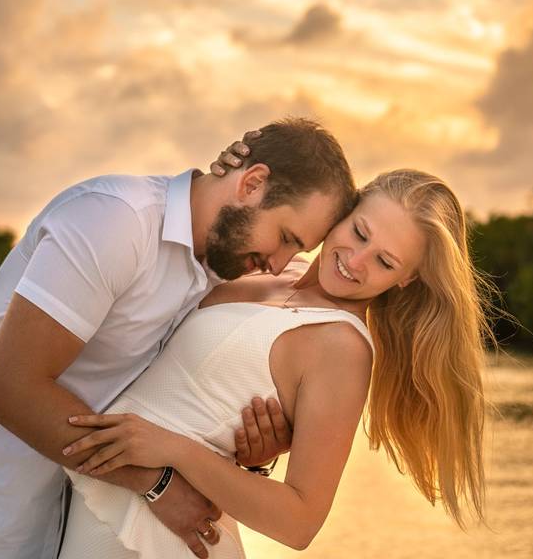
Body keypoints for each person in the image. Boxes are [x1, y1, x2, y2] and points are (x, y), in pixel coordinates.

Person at [0, 118, 356, 559]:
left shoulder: (216, 271)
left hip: (47, 521)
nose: (279, 262)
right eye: (287, 237)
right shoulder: (115, 220)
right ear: (251, 183)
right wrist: (158, 485)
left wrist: (252, 460)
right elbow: (10, 389)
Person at [56, 168, 495, 557]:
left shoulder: (342, 348)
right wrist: (251, 464)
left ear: (408, 278)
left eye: (384, 261)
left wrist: (174, 449)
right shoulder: (275, 268)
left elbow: (299, 523)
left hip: (153, 532)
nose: (355, 261)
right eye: (360, 232)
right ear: (345, 210)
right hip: (104, 491)